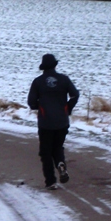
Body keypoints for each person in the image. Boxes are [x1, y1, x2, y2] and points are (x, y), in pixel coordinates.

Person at [27, 53, 79, 189]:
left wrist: (39, 106)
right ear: (55, 65)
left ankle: (51, 182)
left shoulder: (37, 81)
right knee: (57, 147)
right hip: (62, 121)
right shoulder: (64, 79)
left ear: (43, 67)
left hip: (46, 122)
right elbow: (75, 94)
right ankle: (60, 164)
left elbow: (31, 102)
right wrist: (68, 107)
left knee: (45, 152)